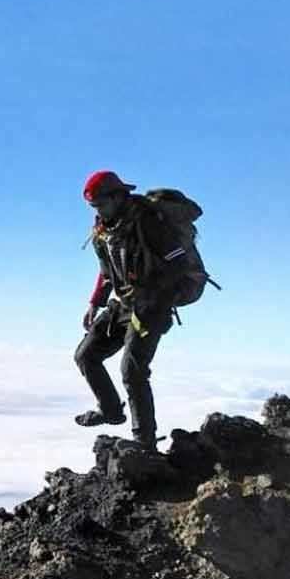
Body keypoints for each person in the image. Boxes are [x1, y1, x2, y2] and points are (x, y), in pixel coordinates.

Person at [73, 170, 188, 449]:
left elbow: (179, 263)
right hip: (122, 304)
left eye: (100, 204)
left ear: (117, 196)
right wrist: (94, 303)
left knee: (132, 371)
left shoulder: (147, 222)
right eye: (93, 206)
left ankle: (145, 443)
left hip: (151, 307)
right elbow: (106, 271)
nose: (97, 211)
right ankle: (111, 412)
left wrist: (152, 295)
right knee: (86, 355)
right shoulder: (105, 229)